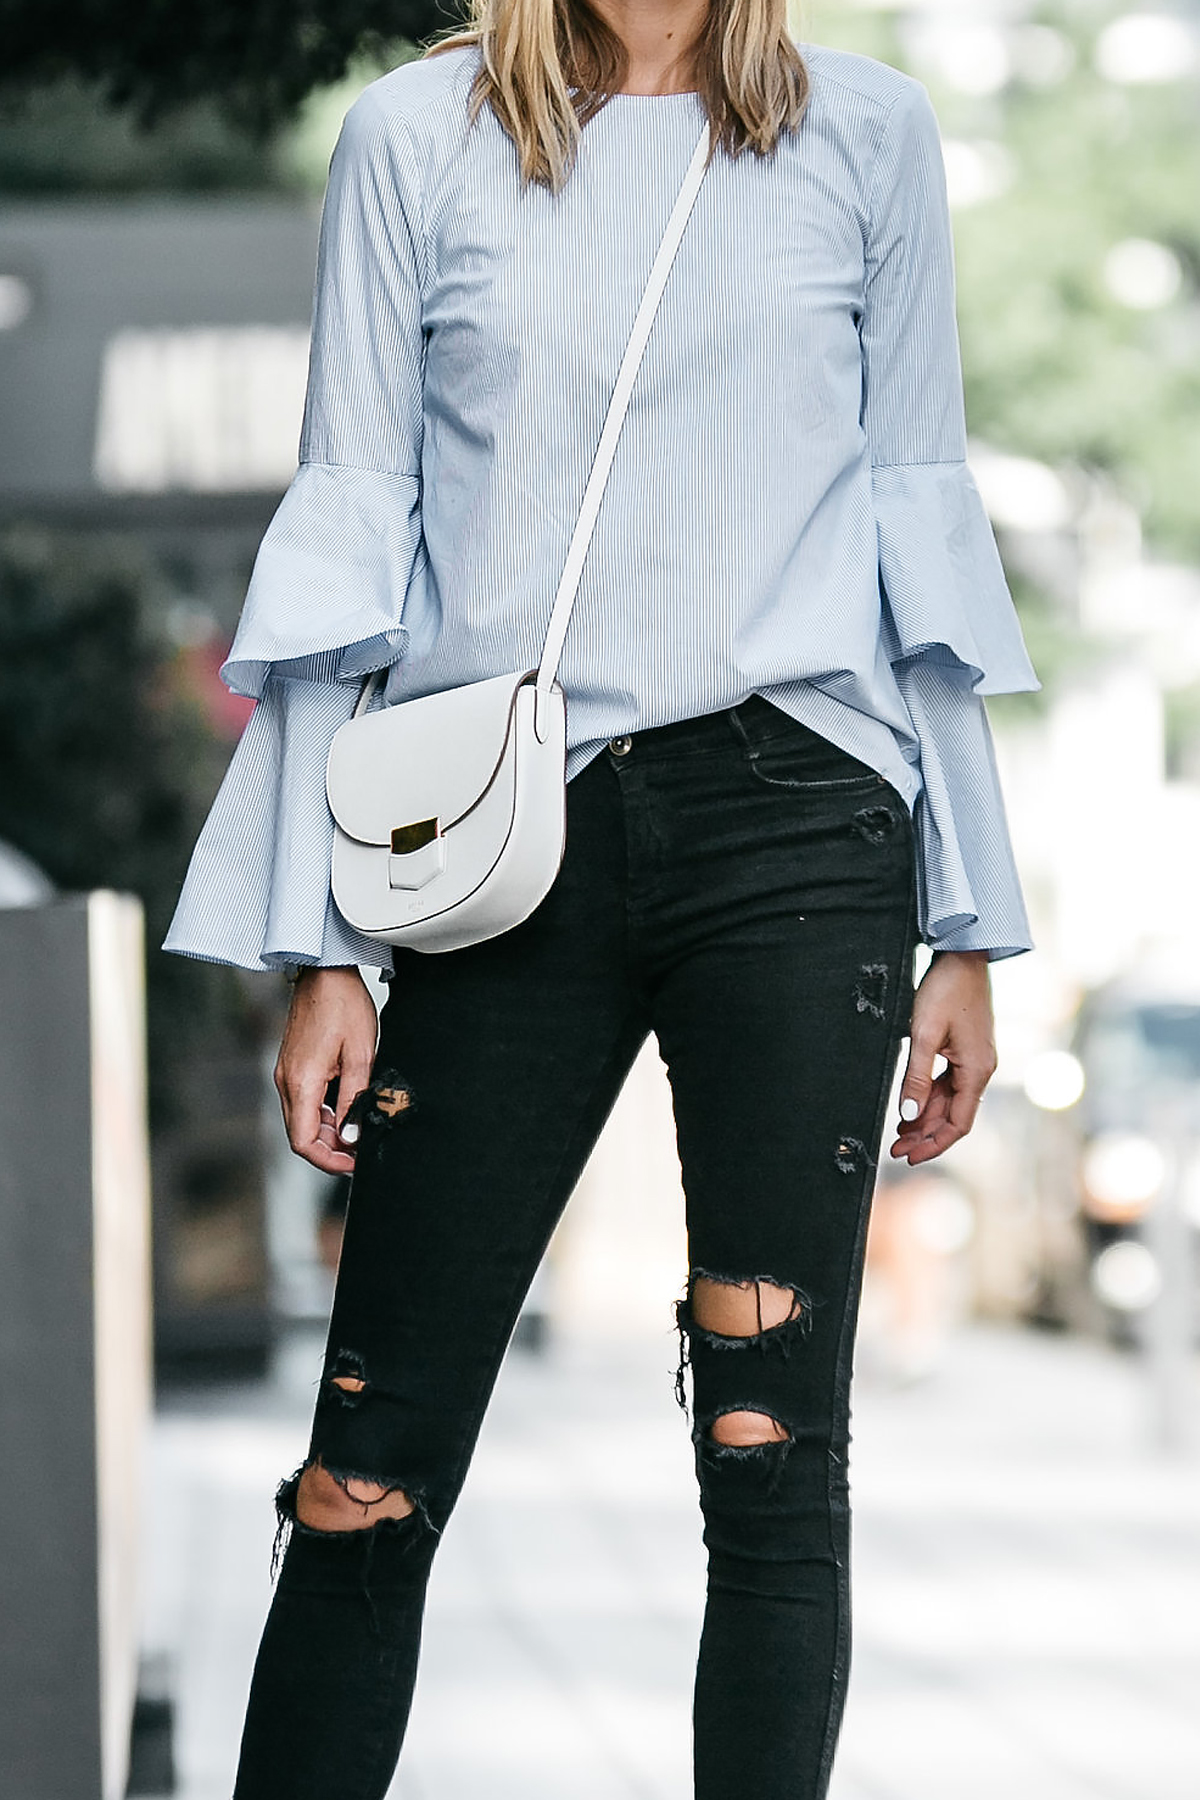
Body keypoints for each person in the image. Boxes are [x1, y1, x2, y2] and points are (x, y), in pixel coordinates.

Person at [165, 0, 1038, 1791]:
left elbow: (911, 512)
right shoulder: (414, 142)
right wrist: (320, 944)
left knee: (773, 1442)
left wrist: (971, 910)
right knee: (365, 1468)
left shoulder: (865, 135)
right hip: (506, 850)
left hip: (806, 821)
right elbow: (357, 518)